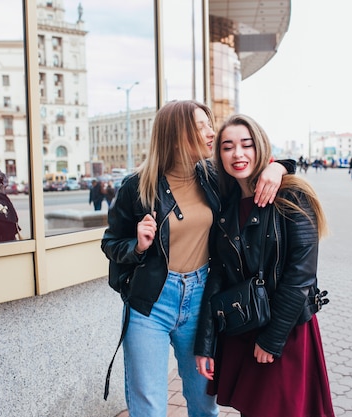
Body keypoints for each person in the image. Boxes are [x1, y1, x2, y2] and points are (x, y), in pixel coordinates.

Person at [100, 100, 294, 417]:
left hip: (201, 300)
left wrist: (278, 167)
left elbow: (258, 165)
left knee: (204, 404)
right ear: (176, 135)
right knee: (148, 407)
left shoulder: (214, 177)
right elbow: (110, 242)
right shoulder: (137, 187)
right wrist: (136, 246)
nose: (210, 132)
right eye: (201, 126)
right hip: (151, 304)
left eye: (209, 124)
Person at [194, 114, 334, 417]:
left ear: (260, 147)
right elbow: (217, 274)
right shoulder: (225, 205)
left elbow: (301, 276)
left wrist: (272, 339)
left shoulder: (291, 195)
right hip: (243, 324)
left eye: (246, 145)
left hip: (285, 327)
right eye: (227, 147)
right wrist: (205, 343)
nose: (238, 154)